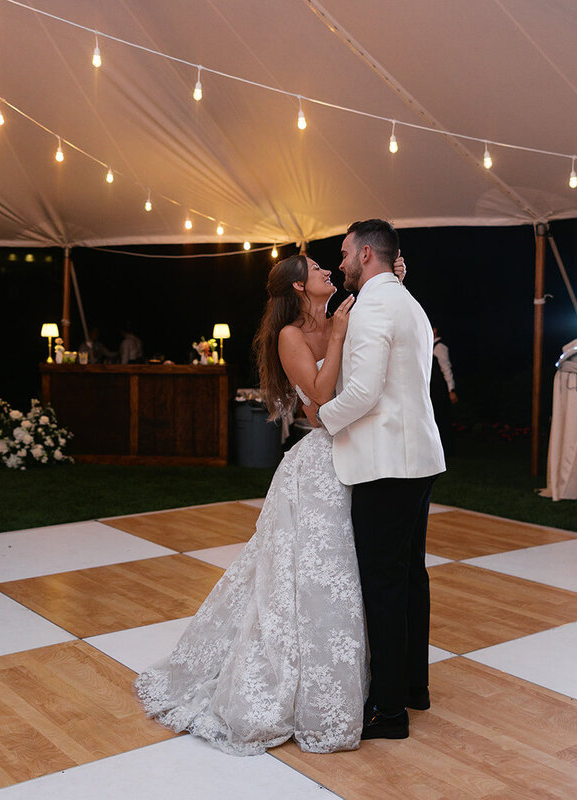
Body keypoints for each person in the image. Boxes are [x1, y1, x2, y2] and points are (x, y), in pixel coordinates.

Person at [135, 252, 405, 756]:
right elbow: (319, 402)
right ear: (299, 288)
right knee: (307, 578)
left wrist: (389, 282)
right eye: (317, 268)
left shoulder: (344, 314)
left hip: (359, 459)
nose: (329, 270)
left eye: (332, 264)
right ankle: (290, 691)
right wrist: (340, 336)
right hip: (320, 466)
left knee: (348, 575)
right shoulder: (291, 337)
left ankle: (353, 683)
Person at [306, 219, 445, 741]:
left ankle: (388, 712)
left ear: (366, 254)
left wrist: (324, 417)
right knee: (410, 577)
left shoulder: (371, 307)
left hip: (386, 463)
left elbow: (363, 392)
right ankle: (413, 686)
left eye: (343, 253)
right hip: (420, 459)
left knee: (384, 586)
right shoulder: (408, 302)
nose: (338, 262)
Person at [431, 325, 458, 454]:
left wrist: (451, 390)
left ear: (435, 330)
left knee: (441, 418)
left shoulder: (440, 347)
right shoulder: (430, 347)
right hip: (432, 388)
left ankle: (446, 449)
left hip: (439, 388)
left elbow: (446, 369)